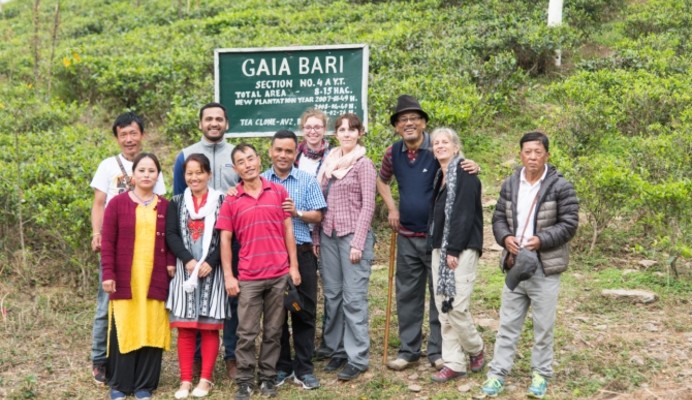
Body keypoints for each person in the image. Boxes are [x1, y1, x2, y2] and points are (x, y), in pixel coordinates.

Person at [377, 95, 479, 371]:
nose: (409, 124)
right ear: (397, 126)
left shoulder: (435, 147)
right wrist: (392, 208)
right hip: (407, 236)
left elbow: (455, 163)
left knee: (439, 295)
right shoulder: (392, 152)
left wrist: (473, 165)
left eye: (414, 119)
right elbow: (382, 180)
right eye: (403, 120)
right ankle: (408, 350)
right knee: (407, 294)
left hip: (436, 238)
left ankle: (437, 351)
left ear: (423, 123)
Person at [480, 131, 579, 399]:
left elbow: (569, 224)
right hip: (515, 264)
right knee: (507, 324)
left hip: (545, 267)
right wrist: (505, 238)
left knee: (543, 326)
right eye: (527, 152)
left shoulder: (561, 186)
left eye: (538, 152)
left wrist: (541, 240)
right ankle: (497, 374)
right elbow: (498, 217)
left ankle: (541, 374)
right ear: (520, 154)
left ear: (547, 154)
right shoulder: (511, 183)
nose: (532, 157)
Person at [216, 144, 301, 400]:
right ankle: (244, 381)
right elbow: (225, 240)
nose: (247, 164)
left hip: (278, 275)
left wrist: (293, 267)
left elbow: (288, 231)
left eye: (250, 158)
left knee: (274, 331)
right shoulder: (231, 200)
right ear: (236, 168)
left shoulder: (277, 191)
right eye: (241, 161)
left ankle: (267, 378)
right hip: (249, 278)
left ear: (258, 159)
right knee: (246, 332)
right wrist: (229, 276)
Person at [89, 112, 166, 385]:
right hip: (116, 244)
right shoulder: (108, 165)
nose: (129, 139)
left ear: (141, 135)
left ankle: (140, 360)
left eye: (134, 133)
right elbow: (99, 202)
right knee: (105, 304)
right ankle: (100, 360)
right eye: (123, 134)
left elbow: (162, 204)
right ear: (117, 138)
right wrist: (97, 233)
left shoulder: (152, 166)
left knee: (144, 302)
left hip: (145, 249)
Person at [172, 102, 241, 380]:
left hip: (231, 239)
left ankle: (232, 356)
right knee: (196, 297)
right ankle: (199, 359)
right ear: (200, 123)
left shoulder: (235, 154)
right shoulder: (185, 155)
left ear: (226, 123)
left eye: (219, 119)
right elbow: (179, 201)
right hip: (194, 242)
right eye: (208, 119)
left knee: (231, 297)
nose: (214, 123)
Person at [101, 153, 174, 400]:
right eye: (141, 170)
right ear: (133, 174)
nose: (146, 175)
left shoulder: (165, 206)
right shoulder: (117, 204)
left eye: (151, 170)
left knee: (151, 326)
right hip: (125, 279)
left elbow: (173, 241)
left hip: (155, 278)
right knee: (125, 326)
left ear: (158, 175)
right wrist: (108, 273)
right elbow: (108, 242)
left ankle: (145, 385)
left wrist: (172, 266)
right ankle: (120, 385)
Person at [258, 130, 327, 390]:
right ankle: (282, 366)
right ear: (270, 151)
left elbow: (318, 215)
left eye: (289, 151)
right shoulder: (260, 180)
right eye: (279, 150)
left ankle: (304, 368)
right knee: (275, 314)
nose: (283, 155)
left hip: (302, 251)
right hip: (271, 255)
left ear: (295, 152)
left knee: (304, 311)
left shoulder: (307, 180)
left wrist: (296, 212)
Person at [314, 113, 376, 381]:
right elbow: (319, 202)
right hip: (328, 235)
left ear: (360, 133)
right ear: (335, 134)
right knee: (334, 296)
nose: (347, 134)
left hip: (353, 237)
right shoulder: (329, 163)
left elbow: (369, 206)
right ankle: (337, 349)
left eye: (352, 130)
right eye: (342, 129)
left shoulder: (364, 165)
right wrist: (316, 238)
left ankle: (357, 356)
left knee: (353, 299)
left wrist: (359, 242)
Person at [166, 154, 229, 398]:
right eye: (189, 173)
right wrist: (188, 260)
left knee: (210, 327)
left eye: (199, 172)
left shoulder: (221, 200)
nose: (194, 177)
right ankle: (184, 380)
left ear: (209, 174)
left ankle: (205, 379)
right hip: (185, 270)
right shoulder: (177, 201)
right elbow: (171, 234)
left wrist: (210, 263)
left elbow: (225, 234)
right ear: (184, 176)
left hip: (213, 271)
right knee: (185, 328)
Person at [427, 128, 485, 383]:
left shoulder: (465, 173)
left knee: (457, 306)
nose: (440, 146)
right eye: (436, 143)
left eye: (445, 142)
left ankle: (475, 348)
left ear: (456, 147)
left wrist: (453, 249)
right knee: (443, 308)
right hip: (440, 246)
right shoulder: (440, 174)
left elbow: (463, 214)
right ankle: (454, 362)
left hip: (460, 248)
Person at [294, 108, 332, 360]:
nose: (313, 130)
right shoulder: (293, 156)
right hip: (297, 232)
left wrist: (317, 233)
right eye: (309, 126)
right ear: (302, 129)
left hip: (324, 228)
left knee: (329, 287)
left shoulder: (333, 157)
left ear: (325, 129)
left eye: (318, 126)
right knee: (300, 289)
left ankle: (328, 341)